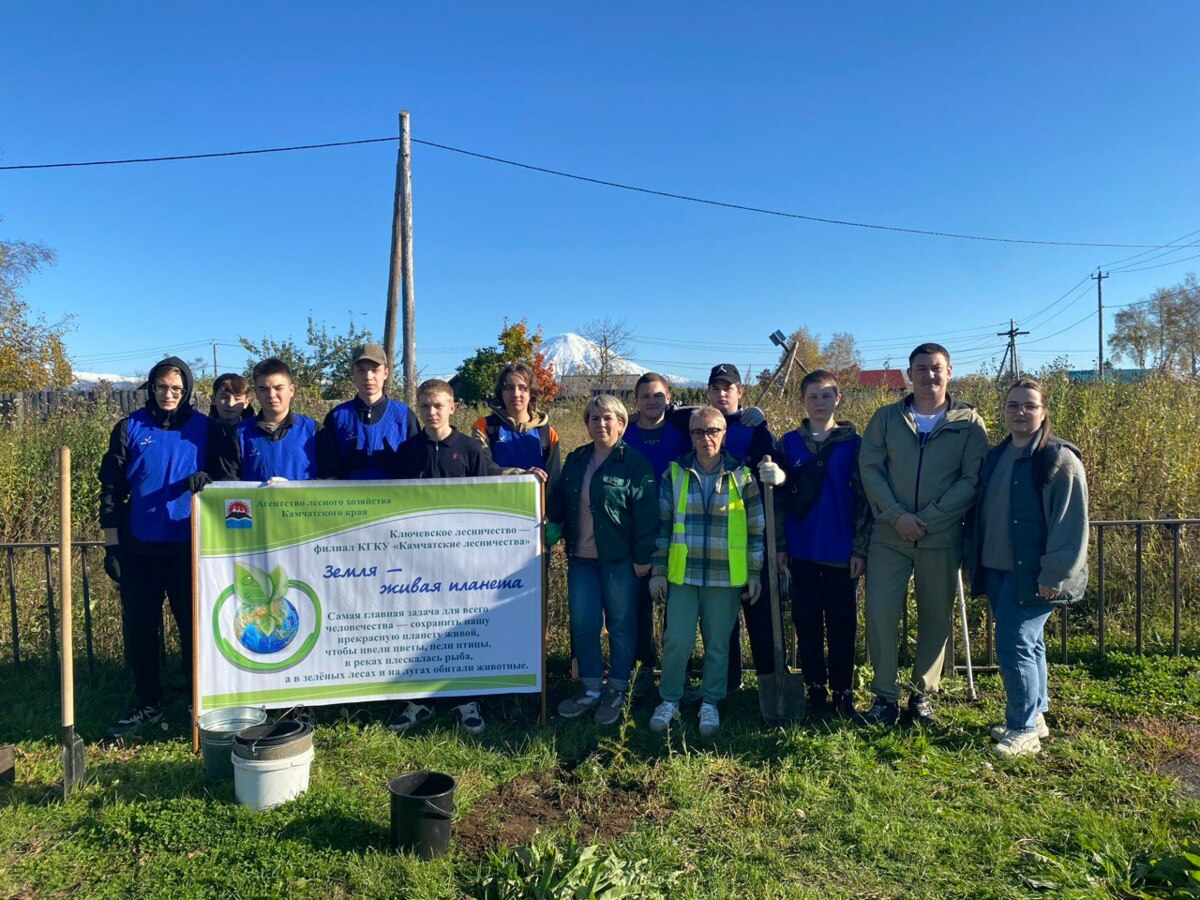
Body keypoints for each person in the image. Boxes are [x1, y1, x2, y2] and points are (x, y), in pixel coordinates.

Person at [857, 343, 989, 726]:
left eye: (936, 368)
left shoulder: (969, 422)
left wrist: (929, 518)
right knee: (880, 613)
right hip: (889, 536)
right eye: (921, 368)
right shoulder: (885, 419)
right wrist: (897, 516)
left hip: (940, 536)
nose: (929, 375)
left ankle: (922, 697)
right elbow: (871, 469)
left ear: (949, 372)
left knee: (936, 617)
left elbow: (971, 479)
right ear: (908, 374)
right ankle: (884, 697)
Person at [965, 379, 1088, 758]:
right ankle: (1035, 716)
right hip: (999, 569)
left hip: (1035, 573)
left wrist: (1054, 575)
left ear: (1043, 411)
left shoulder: (1057, 458)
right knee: (1030, 644)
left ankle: (1021, 730)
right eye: (1013, 405)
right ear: (1004, 410)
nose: (1020, 412)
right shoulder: (997, 455)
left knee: (1014, 645)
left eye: (1029, 406)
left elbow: (1071, 524)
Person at [98, 357, 217, 739]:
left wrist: (208, 479)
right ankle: (146, 701)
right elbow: (111, 491)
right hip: (141, 547)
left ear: (188, 392)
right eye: (163, 387)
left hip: (188, 549)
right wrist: (113, 547)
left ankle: (195, 702)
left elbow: (228, 474)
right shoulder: (129, 428)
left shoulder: (204, 429)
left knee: (193, 632)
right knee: (141, 630)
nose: (170, 395)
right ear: (151, 387)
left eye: (177, 389)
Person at [648, 406, 765, 736]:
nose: (705, 438)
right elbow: (663, 526)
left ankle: (710, 701)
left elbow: (756, 529)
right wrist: (659, 570)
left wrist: (753, 573)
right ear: (691, 436)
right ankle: (670, 698)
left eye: (713, 431)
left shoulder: (743, 476)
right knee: (676, 641)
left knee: (717, 644)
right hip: (683, 575)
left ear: (724, 434)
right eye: (698, 432)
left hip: (724, 576)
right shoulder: (674, 474)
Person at [390, 379, 493, 735]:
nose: (431, 413)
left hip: (460, 562)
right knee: (417, 628)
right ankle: (420, 700)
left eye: (438, 406)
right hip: (415, 562)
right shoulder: (406, 451)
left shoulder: (470, 450)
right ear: (417, 409)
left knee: (456, 631)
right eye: (425, 406)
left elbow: (488, 502)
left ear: (453, 407)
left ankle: (466, 700)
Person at [547, 395, 657, 725]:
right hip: (581, 559)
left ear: (622, 424)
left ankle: (618, 688)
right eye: (594, 418)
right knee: (584, 623)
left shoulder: (634, 463)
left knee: (622, 624)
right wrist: (553, 524)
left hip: (620, 560)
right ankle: (591, 688)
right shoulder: (577, 459)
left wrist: (642, 556)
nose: (601, 424)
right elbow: (560, 500)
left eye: (608, 418)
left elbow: (647, 515)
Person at [772, 369, 872, 716]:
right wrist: (781, 545)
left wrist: (860, 548)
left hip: (841, 550)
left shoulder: (854, 445)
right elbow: (780, 499)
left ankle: (843, 690)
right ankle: (815, 687)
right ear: (802, 401)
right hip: (800, 550)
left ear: (838, 400)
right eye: (812, 396)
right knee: (806, 620)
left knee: (843, 622)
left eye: (826, 395)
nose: (819, 402)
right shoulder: (789, 444)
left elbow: (863, 499)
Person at [620, 373, 689, 696]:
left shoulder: (681, 434)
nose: (651, 401)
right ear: (636, 401)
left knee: (676, 608)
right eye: (645, 396)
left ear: (668, 398)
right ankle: (643, 669)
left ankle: (677, 672)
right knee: (639, 606)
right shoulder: (625, 434)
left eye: (657, 396)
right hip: (635, 531)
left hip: (677, 530)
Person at [319, 343, 419, 479]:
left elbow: (419, 467)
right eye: (361, 370)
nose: (368, 377)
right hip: (350, 498)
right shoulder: (336, 417)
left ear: (385, 373)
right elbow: (324, 468)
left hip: (394, 498)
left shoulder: (404, 416)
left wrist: (397, 464)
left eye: (375, 370)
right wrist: (342, 465)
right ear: (352, 373)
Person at [212, 358, 322, 482]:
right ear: (256, 393)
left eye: (278, 388)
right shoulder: (237, 434)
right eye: (263, 389)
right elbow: (229, 484)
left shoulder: (315, 431)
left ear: (291, 390)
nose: (271, 395)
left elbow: (332, 481)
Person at [472, 362, 562, 492]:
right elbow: (484, 468)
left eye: (522, 388)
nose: (515, 394)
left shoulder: (547, 433)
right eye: (509, 387)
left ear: (531, 392)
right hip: (497, 507)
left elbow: (554, 482)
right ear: (500, 392)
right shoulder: (484, 427)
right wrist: (522, 476)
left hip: (536, 509)